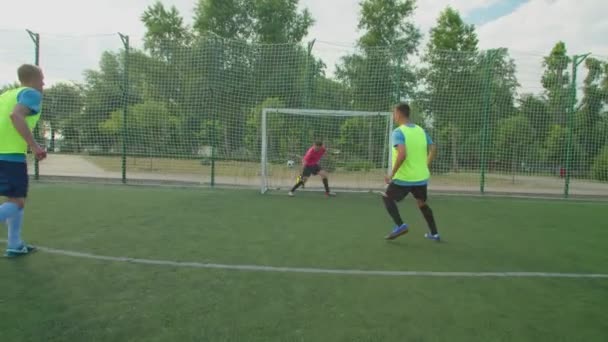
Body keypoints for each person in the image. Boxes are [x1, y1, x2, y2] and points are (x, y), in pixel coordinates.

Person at [0, 64, 47, 257]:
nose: (43, 83)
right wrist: (34, 146)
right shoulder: (31, 94)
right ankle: (15, 244)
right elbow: (16, 115)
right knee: (18, 201)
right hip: (10, 156)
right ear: (34, 79)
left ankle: (15, 244)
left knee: (14, 199)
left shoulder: (5, 96)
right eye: (42, 79)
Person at [382, 103, 440, 241]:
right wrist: (425, 165)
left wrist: (391, 175)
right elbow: (433, 149)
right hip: (421, 177)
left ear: (399, 113)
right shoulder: (420, 130)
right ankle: (434, 233)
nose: (394, 116)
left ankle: (400, 225)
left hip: (405, 177)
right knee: (421, 202)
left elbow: (402, 154)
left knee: (386, 197)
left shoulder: (398, 132)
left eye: (394, 113)